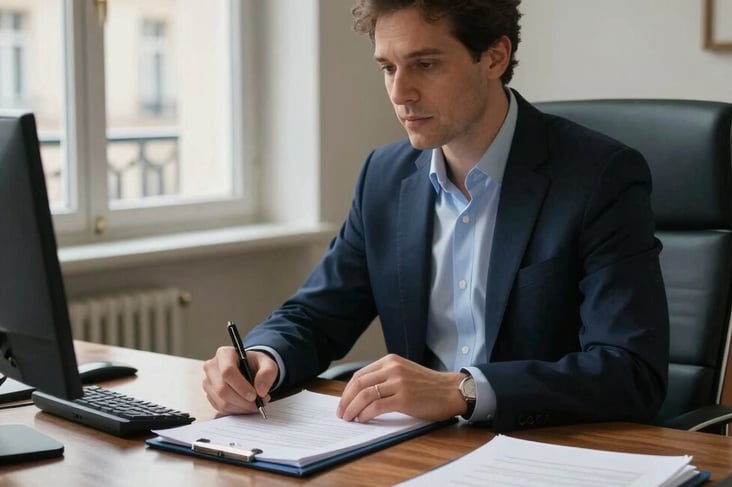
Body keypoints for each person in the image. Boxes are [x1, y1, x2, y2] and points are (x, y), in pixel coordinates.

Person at [202, 0, 669, 432]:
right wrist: (263, 357)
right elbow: (317, 314)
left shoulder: (598, 177)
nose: (400, 93)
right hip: (416, 449)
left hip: (545, 449)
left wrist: (463, 389)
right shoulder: (384, 176)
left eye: (425, 64)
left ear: (494, 57)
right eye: (388, 68)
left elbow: (630, 370)